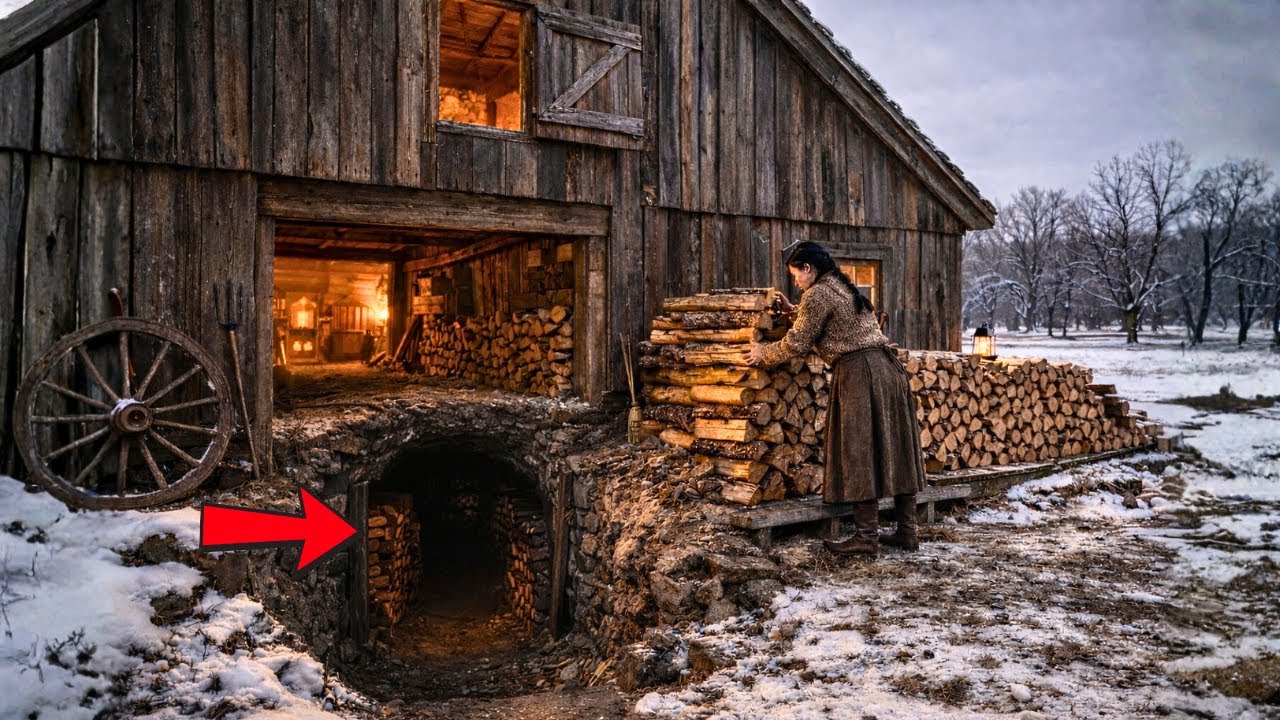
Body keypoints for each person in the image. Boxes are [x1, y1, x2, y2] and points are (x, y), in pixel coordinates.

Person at [744, 242, 926, 557]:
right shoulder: (838, 285)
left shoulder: (818, 293)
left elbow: (797, 343)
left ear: (807, 269)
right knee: (895, 447)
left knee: (859, 448)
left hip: (861, 372)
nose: (796, 283)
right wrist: (794, 311)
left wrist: (763, 353)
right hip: (887, 368)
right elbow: (826, 318)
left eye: (796, 276)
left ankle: (866, 538)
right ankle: (907, 531)